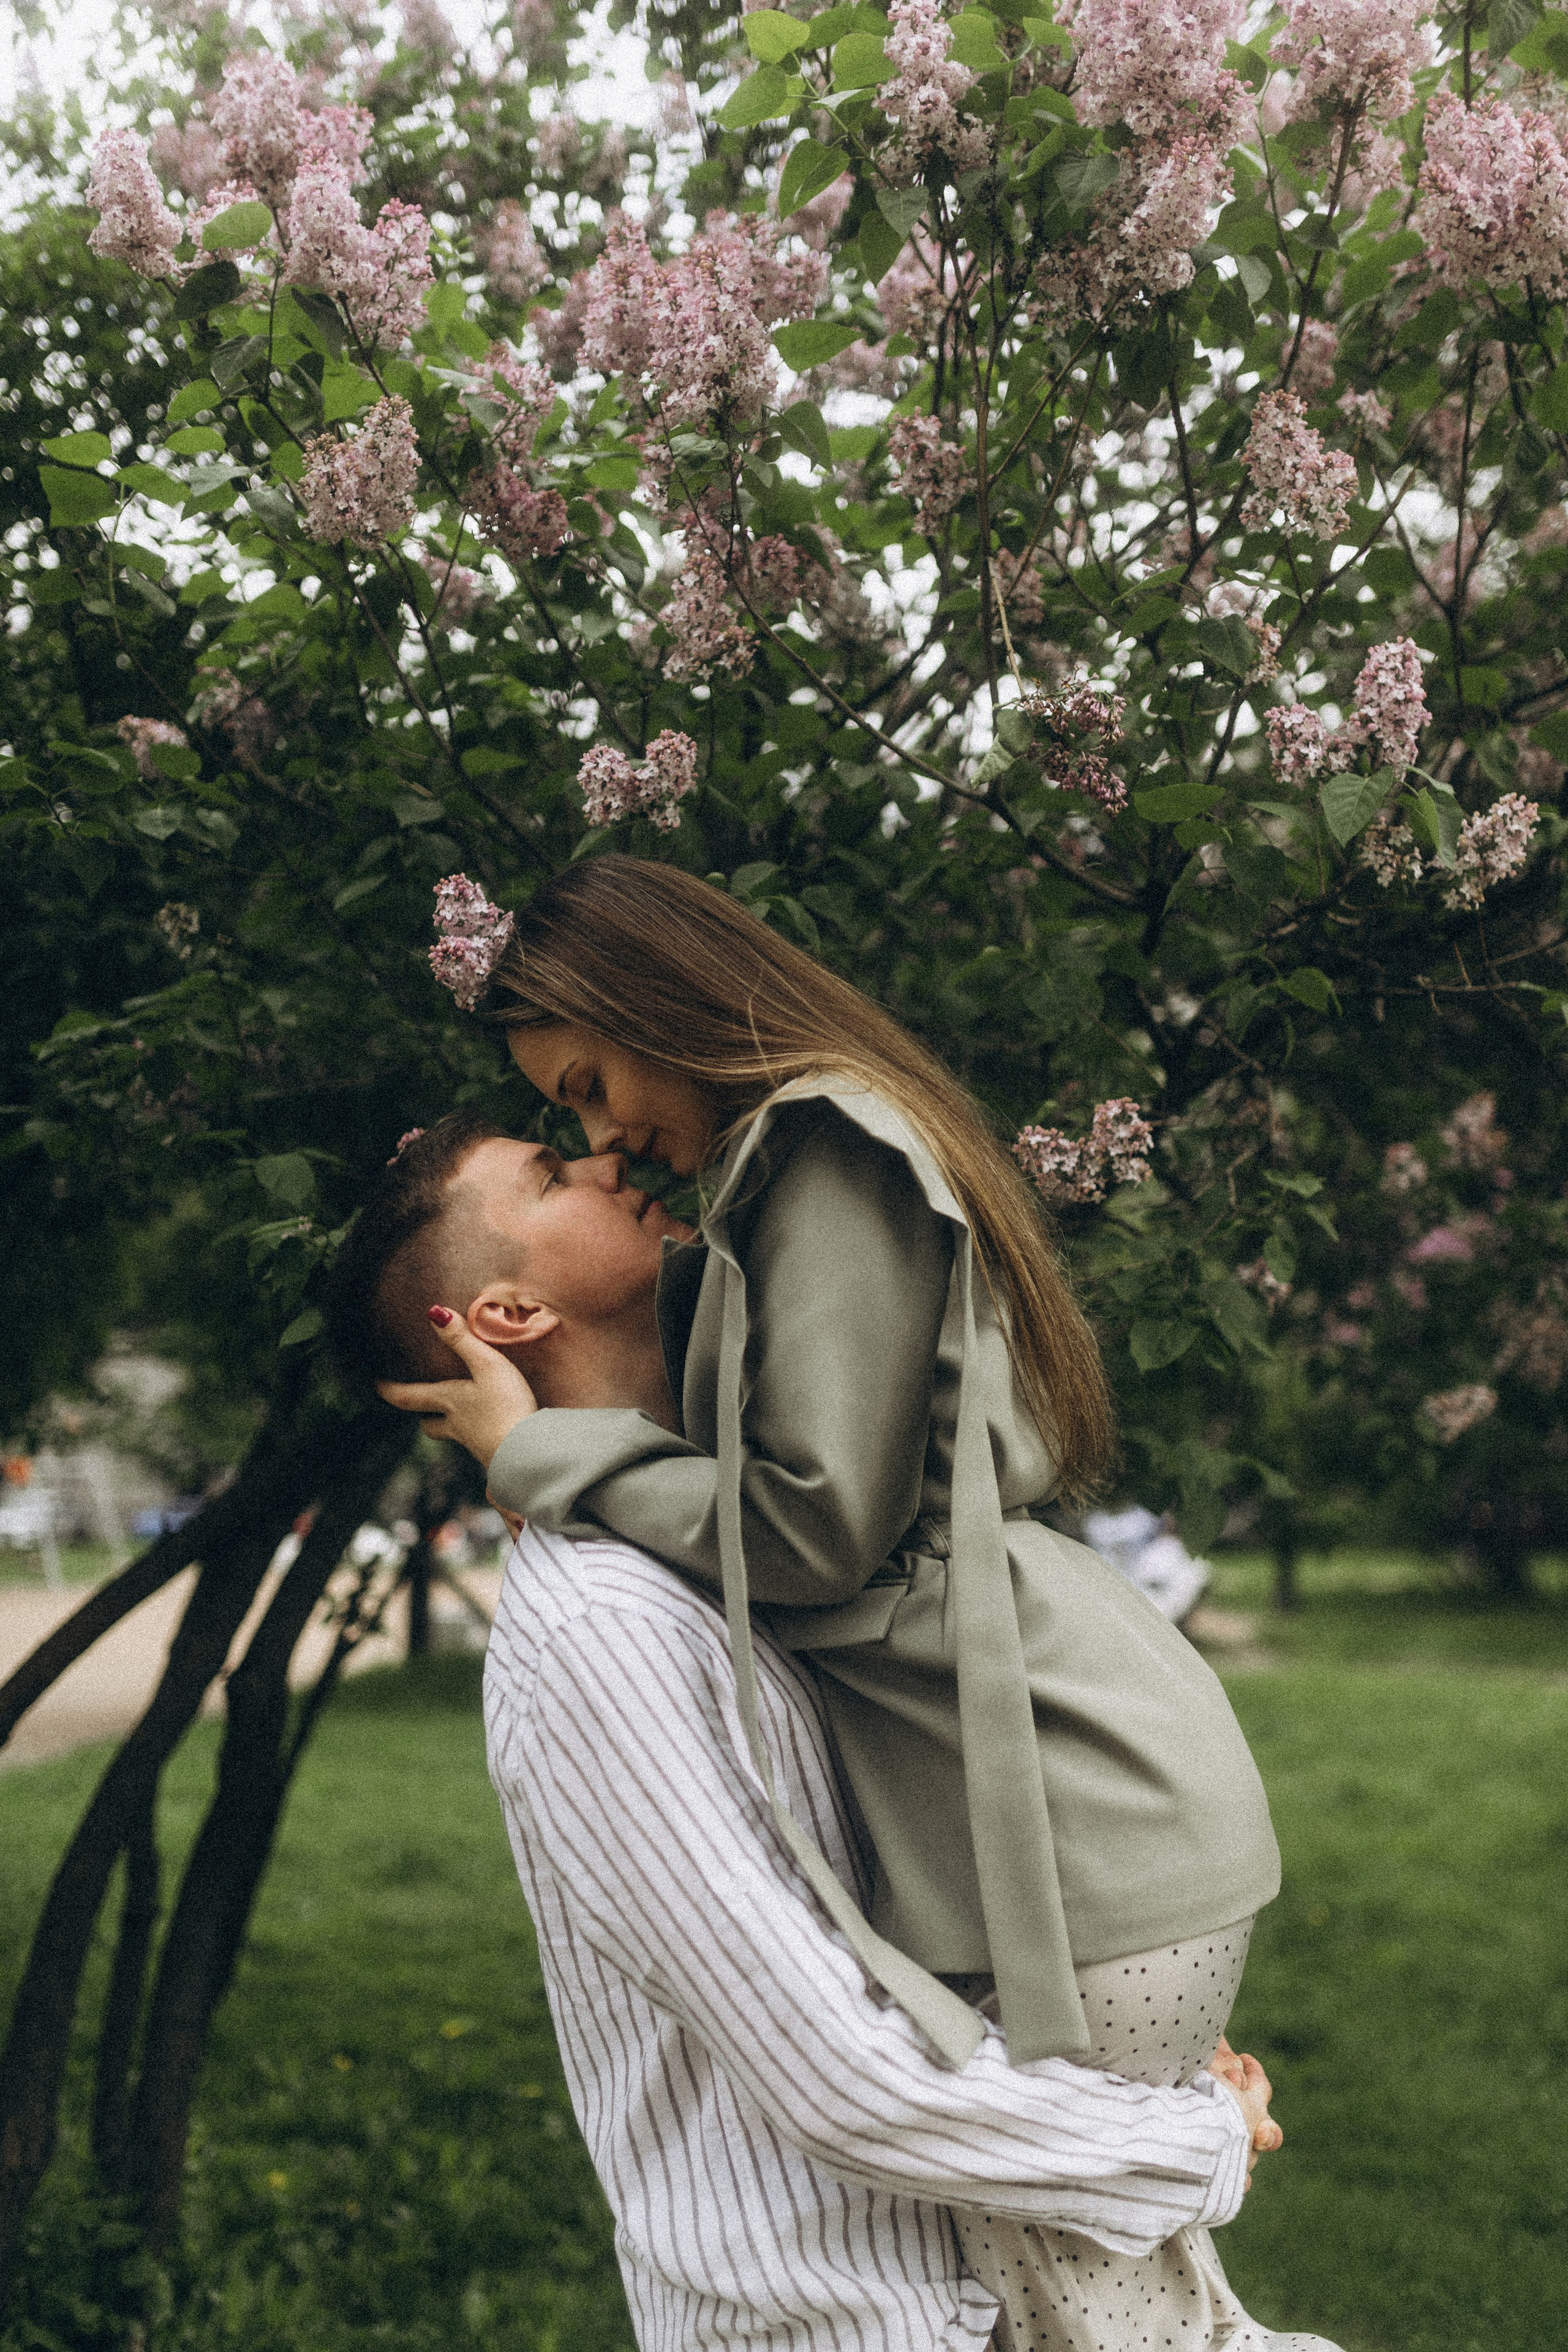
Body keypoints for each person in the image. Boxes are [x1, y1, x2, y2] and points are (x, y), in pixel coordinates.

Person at [372, 859, 1337, 2350]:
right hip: (1088, 1803)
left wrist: (543, 1447)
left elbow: (808, 1531)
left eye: (582, 1090)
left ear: (650, 1001)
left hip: (1078, 1819)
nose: (606, 1137)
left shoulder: (818, 1154)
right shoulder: (786, 1184)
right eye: (563, 1136)